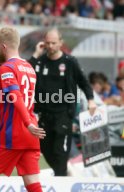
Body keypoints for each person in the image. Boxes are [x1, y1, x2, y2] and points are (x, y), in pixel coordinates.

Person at [0, 27, 45, 192]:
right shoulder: (29, 67)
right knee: (33, 183)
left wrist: (26, 123)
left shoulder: (6, 68)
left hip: (13, 133)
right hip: (31, 135)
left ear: (3, 46)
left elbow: (16, 96)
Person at [28, 28, 97, 176]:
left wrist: (91, 100)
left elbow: (84, 82)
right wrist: (35, 54)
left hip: (63, 114)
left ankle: (61, 178)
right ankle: (63, 173)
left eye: (53, 43)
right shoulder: (40, 61)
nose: (50, 46)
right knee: (45, 148)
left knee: (60, 151)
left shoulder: (70, 62)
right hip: (43, 114)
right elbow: (25, 71)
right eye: (47, 43)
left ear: (61, 43)